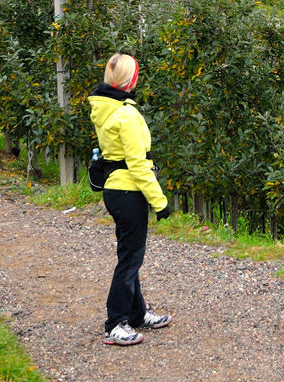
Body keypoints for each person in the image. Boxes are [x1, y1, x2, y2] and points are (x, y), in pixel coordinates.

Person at [89, 52, 173, 346]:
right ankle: (116, 323)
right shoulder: (126, 114)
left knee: (129, 255)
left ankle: (137, 314)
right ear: (130, 79)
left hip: (115, 189)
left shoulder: (105, 109)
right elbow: (138, 164)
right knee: (130, 259)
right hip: (129, 192)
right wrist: (159, 201)